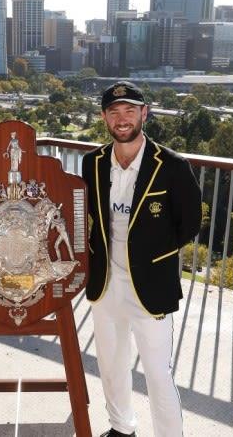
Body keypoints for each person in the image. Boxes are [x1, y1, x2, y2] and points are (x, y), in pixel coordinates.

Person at [81, 81, 201, 437]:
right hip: (105, 284)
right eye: (114, 112)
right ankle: (122, 427)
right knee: (111, 366)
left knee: (158, 374)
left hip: (151, 285)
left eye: (130, 111)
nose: (122, 119)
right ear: (104, 117)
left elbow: (190, 222)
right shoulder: (93, 163)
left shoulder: (174, 166)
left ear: (144, 113)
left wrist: (153, 256)